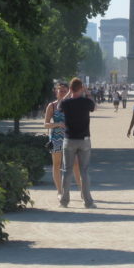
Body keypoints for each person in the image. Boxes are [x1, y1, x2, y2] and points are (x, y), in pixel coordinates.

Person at [58, 78, 96, 208]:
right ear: (81, 88)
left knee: (67, 171)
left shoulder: (67, 103)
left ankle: (64, 201)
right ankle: (88, 201)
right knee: (84, 171)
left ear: (70, 88)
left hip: (69, 139)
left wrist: (68, 94)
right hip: (84, 139)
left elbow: (59, 106)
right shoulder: (86, 102)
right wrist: (88, 93)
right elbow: (93, 106)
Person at [43, 82, 81, 197]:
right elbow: (46, 124)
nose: (63, 93)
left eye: (65, 91)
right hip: (56, 138)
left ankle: (81, 189)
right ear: (56, 92)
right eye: (61, 91)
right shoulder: (52, 106)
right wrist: (58, 124)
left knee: (75, 164)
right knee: (57, 164)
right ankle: (60, 191)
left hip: (70, 137)